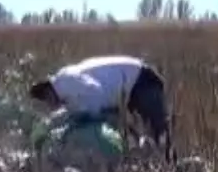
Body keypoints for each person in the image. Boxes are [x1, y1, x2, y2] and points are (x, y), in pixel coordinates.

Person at [29, 54, 174, 161]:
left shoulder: (65, 82)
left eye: (47, 102)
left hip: (140, 81)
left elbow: (95, 90)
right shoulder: (65, 81)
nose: (50, 106)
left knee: (160, 136)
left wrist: (87, 115)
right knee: (132, 135)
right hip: (130, 85)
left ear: (48, 92)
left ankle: (171, 169)